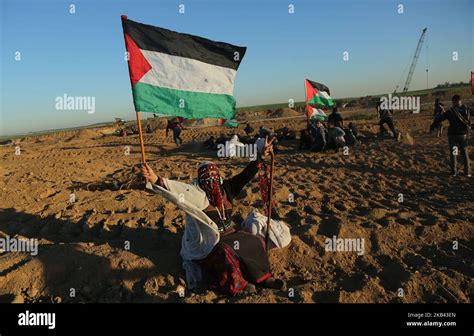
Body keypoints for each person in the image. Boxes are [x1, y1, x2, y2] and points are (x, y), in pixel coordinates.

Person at [141, 138, 287, 296]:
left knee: (253, 241)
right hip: (211, 240)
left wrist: (261, 156)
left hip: (232, 233)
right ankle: (239, 285)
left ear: (219, 177)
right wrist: (156, 179)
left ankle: (264, 278)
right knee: (227, 253)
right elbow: (177, 190)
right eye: (206, 177)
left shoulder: (228, 189)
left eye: (213, 176)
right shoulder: (197, 195)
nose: (211, 180)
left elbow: (246, 175)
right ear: (200, 180)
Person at [431, 94, 471, 177]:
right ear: (460, 101)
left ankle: (454, 172)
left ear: (453, 102)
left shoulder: (450, 111)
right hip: (463, 135)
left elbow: (439, 119)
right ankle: (467, 172)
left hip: (453, 136)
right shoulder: (467, 110)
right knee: (464, 153)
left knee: (454, 153)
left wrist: (433, 124)